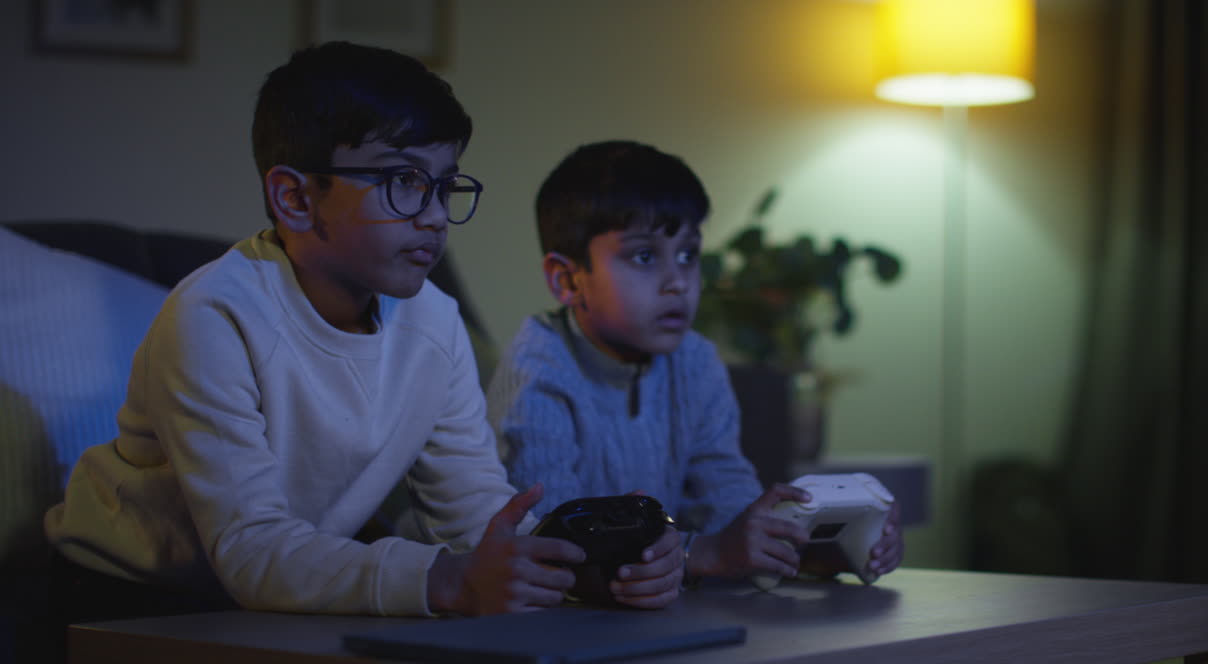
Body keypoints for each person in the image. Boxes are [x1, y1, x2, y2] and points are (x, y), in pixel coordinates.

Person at [43, 42, 680, 620]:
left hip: (281, 582)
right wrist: (449, 582)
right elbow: (250, 546)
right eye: (402, 182)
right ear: (295, 198)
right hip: (134, 593)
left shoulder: (433, 320)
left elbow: (471, 511)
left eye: (444, 186)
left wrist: (585, 570)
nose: (434, 217)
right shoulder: (214, 316)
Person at [487, 140, 905, 586]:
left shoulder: (695, 361)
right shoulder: (539, 372)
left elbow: (726, 504)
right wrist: (700, 552)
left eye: (688, 255)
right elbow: (553, 545)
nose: (677, 282)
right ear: (566, 280)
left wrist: (806, 552)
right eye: (644, 256)